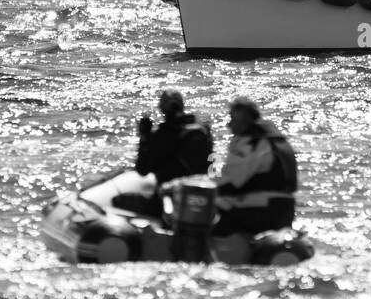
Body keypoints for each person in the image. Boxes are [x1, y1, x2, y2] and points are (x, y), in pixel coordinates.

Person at [113, 89, 213, 217]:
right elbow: (210, 165)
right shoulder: (202, 131)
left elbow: (142, 170)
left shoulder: (161, 135)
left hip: (168, 199)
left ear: (162, 109)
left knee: (118, 201)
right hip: (199, 198)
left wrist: (145, 137)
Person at [212, 97, 297, 235]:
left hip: (262, 211)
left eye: (232, 119)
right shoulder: (272, 138)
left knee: (210, 212)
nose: (229, 125)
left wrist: (201, 186)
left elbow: (231, 182)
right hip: (284, 210)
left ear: (243, 122)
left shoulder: (251, 142)